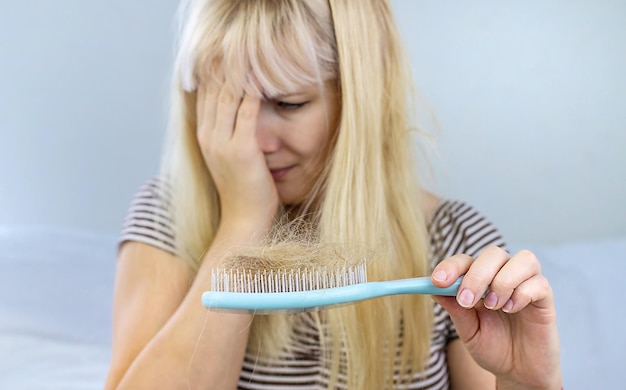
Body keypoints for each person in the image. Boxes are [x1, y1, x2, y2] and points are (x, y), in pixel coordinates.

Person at [104, 0, 562, 389]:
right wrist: (243, 219)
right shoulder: (167, 218)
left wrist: (527, 380)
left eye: (288, 104)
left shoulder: (452, 240)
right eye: (230, 106)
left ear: (359, 96)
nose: (254, 144)